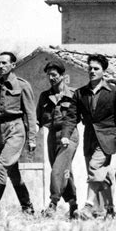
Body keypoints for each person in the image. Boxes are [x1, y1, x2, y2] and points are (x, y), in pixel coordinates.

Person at [61, 54, 116, 220]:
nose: (92, 71)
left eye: (96, 69)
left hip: (109, 138)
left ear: (103, 71)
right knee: (102, 175)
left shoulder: (115, 92)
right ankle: (110, 209)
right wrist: (65, 135)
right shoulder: (80, 93)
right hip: (90, 140)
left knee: (94, 167)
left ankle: (87, 207)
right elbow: (71, 117)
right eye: (90, 68)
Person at [0, 52, 36, 214]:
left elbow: (31, 114)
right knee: (12, 171)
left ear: (13, 65)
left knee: (2, 166)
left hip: (16, 129)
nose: (1, 66)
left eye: (4, 63)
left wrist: (32, 139)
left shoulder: (23, 85)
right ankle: (27, 207)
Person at [36, 60, 79, 218]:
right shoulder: (44, 96)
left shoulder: (74, 94)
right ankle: (73, 205)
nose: (51, 78)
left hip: (69, 136)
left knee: (57, 170)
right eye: (49, 75)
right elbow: (38, 119)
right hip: (52, 137)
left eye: (54, 75)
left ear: (62, 76)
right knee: (66, 171)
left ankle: (53, 204)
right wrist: (32, 136)